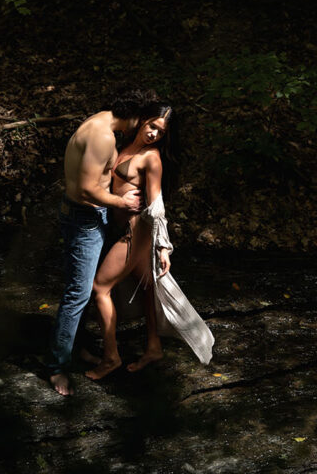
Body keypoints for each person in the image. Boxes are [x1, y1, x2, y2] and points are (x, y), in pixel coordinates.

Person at [85, 104, 214, 380]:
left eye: (161, 132)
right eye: (152, 126)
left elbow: (157, 205)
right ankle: (154, 347)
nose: (155, 134)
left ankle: (110, 358)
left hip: (135, 232)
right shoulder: (125, 146)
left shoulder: (152, 158)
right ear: (142, 121)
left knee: (100, 288)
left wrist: (163, 246)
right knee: (147, 286)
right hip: (120, 228)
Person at [46, 88, 160, 396]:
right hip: (84, 217)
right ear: (134, 115)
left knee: (81, 290)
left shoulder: (96, 122)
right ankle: (58, 367)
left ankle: (79, 347)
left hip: (82, 215)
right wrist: (121, 203)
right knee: (78, 294)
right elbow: (86, 189)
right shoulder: (103, 137)